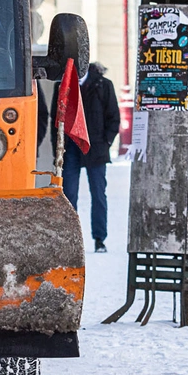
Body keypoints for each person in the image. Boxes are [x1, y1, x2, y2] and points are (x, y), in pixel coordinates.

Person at [62, 62, 121, 252]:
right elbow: (57, 117)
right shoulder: (64, 84)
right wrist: (60, 145)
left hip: (96, 147)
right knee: (69, 194)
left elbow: (113, 117)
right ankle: (71, 240)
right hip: (71, 146)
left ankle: (99, 239)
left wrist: (106, 142)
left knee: (98, 194)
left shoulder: (103, 84)